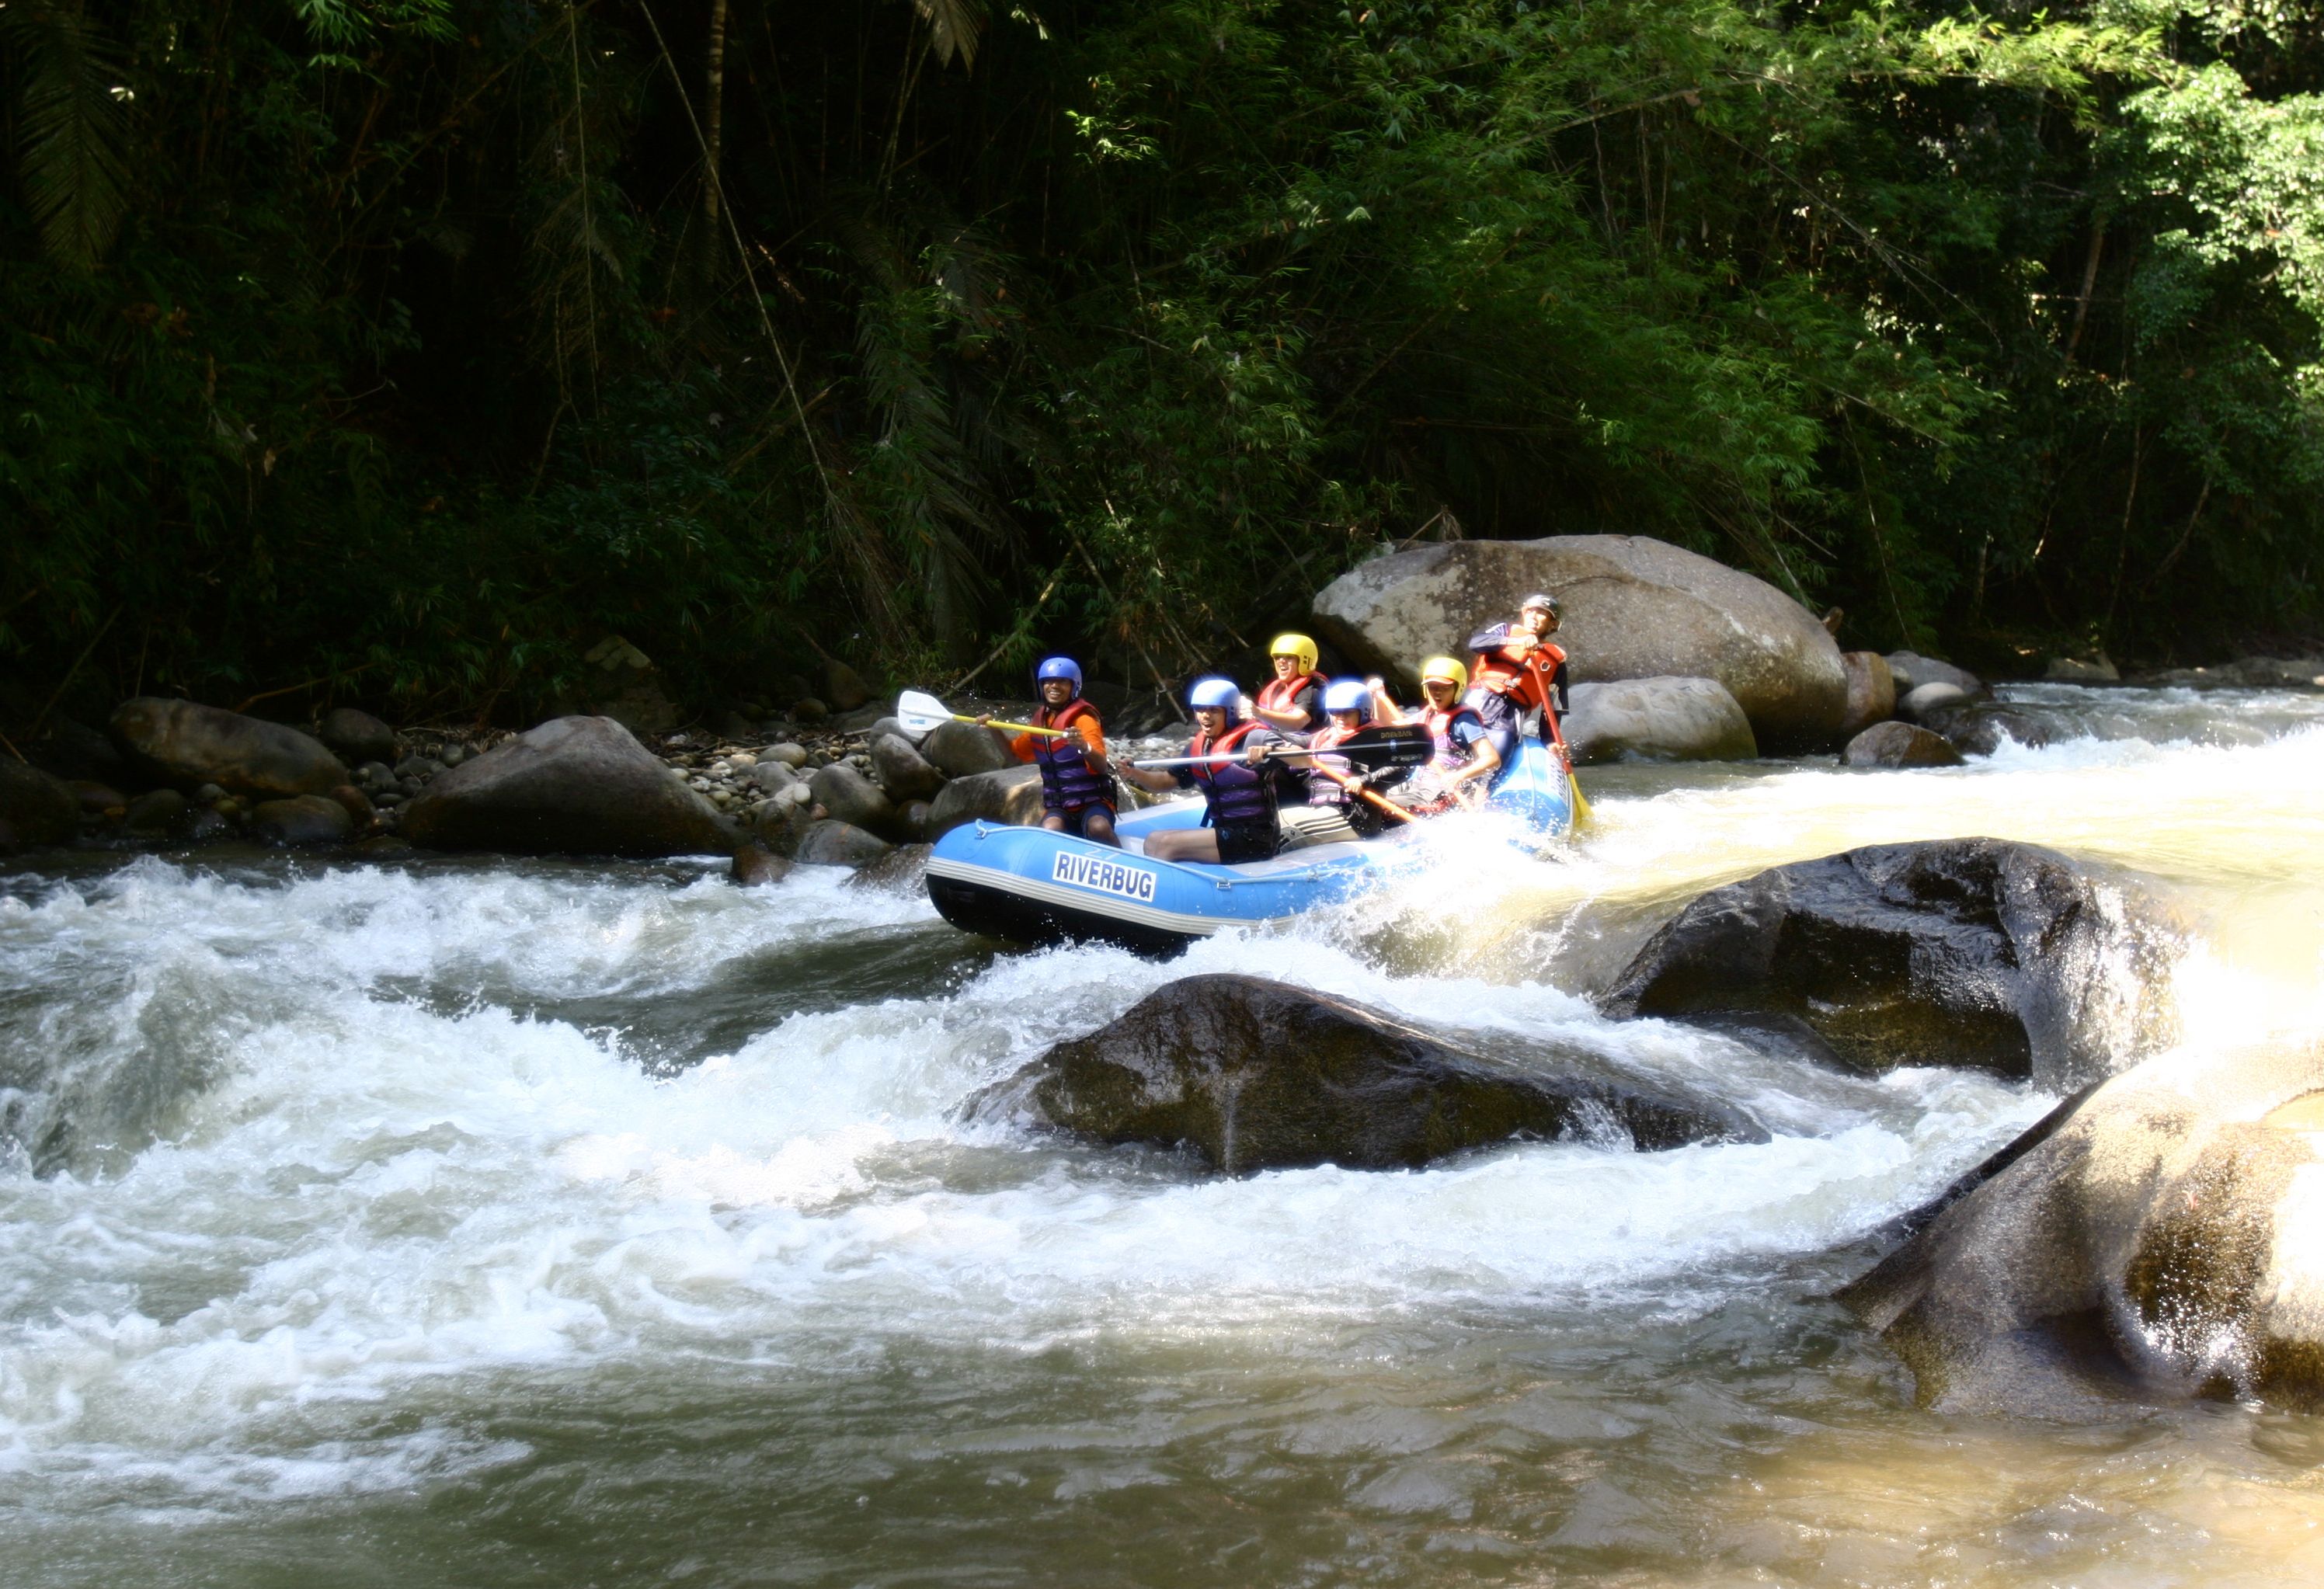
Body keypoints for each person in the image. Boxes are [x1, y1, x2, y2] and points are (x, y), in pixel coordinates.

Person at [1118, 676, 1289, 863]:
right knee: (1153, 840)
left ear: (1230, 712)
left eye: (1214, 710)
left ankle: (1164, 889)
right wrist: (1134, 773)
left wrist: (1272, 750)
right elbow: (1166, 781)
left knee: (1167, 844)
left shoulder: (1254, 738)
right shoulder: (1197, 749)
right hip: (1223, 831)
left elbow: (1301, 758)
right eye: (1200, 710)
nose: (1205, 716)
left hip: (1255, 837)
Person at [986, 656, 1120, 847]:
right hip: (1059, 807)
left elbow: (1101, 767)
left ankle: (1124, 864)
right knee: (1050, 829)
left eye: (1062, 681)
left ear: (1074, 686)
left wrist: (1083, 746)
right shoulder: (1040, 722)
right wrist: (993, 729)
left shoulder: (1084, 720)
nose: (1054, 686)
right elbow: (1013, 758)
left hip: (1094, 805)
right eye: (1048, 681)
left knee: (1098, 827)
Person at [1272, 678, 1393, 847]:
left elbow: (1402, 768)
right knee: (1268, 826)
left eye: (1347, 712)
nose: (1340, 717)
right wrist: (1260, 733)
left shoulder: (1375, 740)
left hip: (1354, 817)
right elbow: (1295, 739)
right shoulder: (1327, 736)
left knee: (1284, 837)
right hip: (1324, 809)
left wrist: (1364, 780)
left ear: (1364, 712)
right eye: (1335, 712)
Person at [1371, 655, 1500, 812]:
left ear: (1458, 689)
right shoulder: (1428, 714)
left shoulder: (1464, 721)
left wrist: (1459, 776)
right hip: (1417, 783)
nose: (1437, 692)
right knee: (1371, 794)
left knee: (1381, 806)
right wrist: (1379, 698)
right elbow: (1386, 729)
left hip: (1441, 790)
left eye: (1445, 688)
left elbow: (1492, 759)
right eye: (1432, 687)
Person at [1466, 592, 1569, 774]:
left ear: (1553, 624)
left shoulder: (1556, 660)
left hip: (1512, 715)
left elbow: (1553, 709)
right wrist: (1515, 642)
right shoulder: (1505, 631)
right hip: (1481, 699)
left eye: (1541, 613)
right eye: (1530, 611)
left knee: (1501, 749)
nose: (1533, 616)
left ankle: (1481, 792)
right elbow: (1477, 643)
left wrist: (1550, 742)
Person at [1247, 632, 1330, 739]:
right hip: (1284, 740)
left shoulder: (1312, 689)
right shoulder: (1279, 689)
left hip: (1308, 744)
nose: (1281, 661)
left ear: (1305, 661)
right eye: (1278, 657)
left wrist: (1258, 712)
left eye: (1289, 657)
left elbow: (1298, 723)